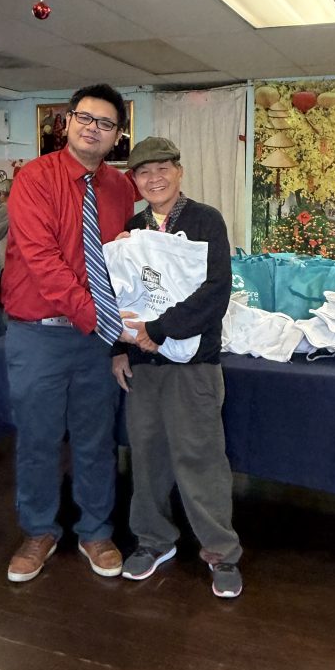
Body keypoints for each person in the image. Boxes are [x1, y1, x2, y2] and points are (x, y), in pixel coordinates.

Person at [2, 84, 136, 583]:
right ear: (67, 122)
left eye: (105, 123)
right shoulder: (34, 179)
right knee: (38, 437)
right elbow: (42, 261)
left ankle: (95, 530)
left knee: (95, 439)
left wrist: (119, 331)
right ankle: (38, 530)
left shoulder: (121, 189)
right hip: (39, 335)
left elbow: (127, 262)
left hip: (96, 340)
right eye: (84, 117)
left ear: (117, 135)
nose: (92, 128)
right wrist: (103, 321)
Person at [112, 136, 243, 599]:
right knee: (147, 456)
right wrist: (119, 349)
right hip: (144, 363)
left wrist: (160, 329)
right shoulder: (133, 227)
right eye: (144, 172)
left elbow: (216, 290)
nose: (155, 179)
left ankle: (221, 552)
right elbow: (122, 292)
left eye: (163, 168)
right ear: (134, 180)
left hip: (194, 364)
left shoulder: (206, 220)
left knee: (200, 457)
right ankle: (153, 540)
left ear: (179, 171)